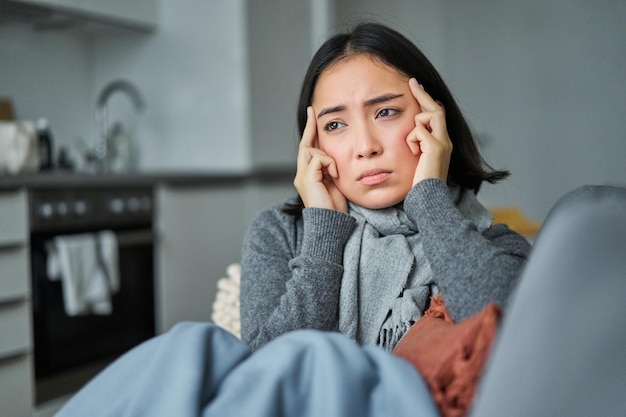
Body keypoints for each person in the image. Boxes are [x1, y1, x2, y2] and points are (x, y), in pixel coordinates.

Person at [240, 22, 531, 352]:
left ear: (432, 119)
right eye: (335, 124)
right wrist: (324, 237)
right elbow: (261, 372)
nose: (365, 146)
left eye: (386, 112)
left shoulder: (493, 246)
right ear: (314, 144)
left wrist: (429, 199)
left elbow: (513, 340)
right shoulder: (280, 231)